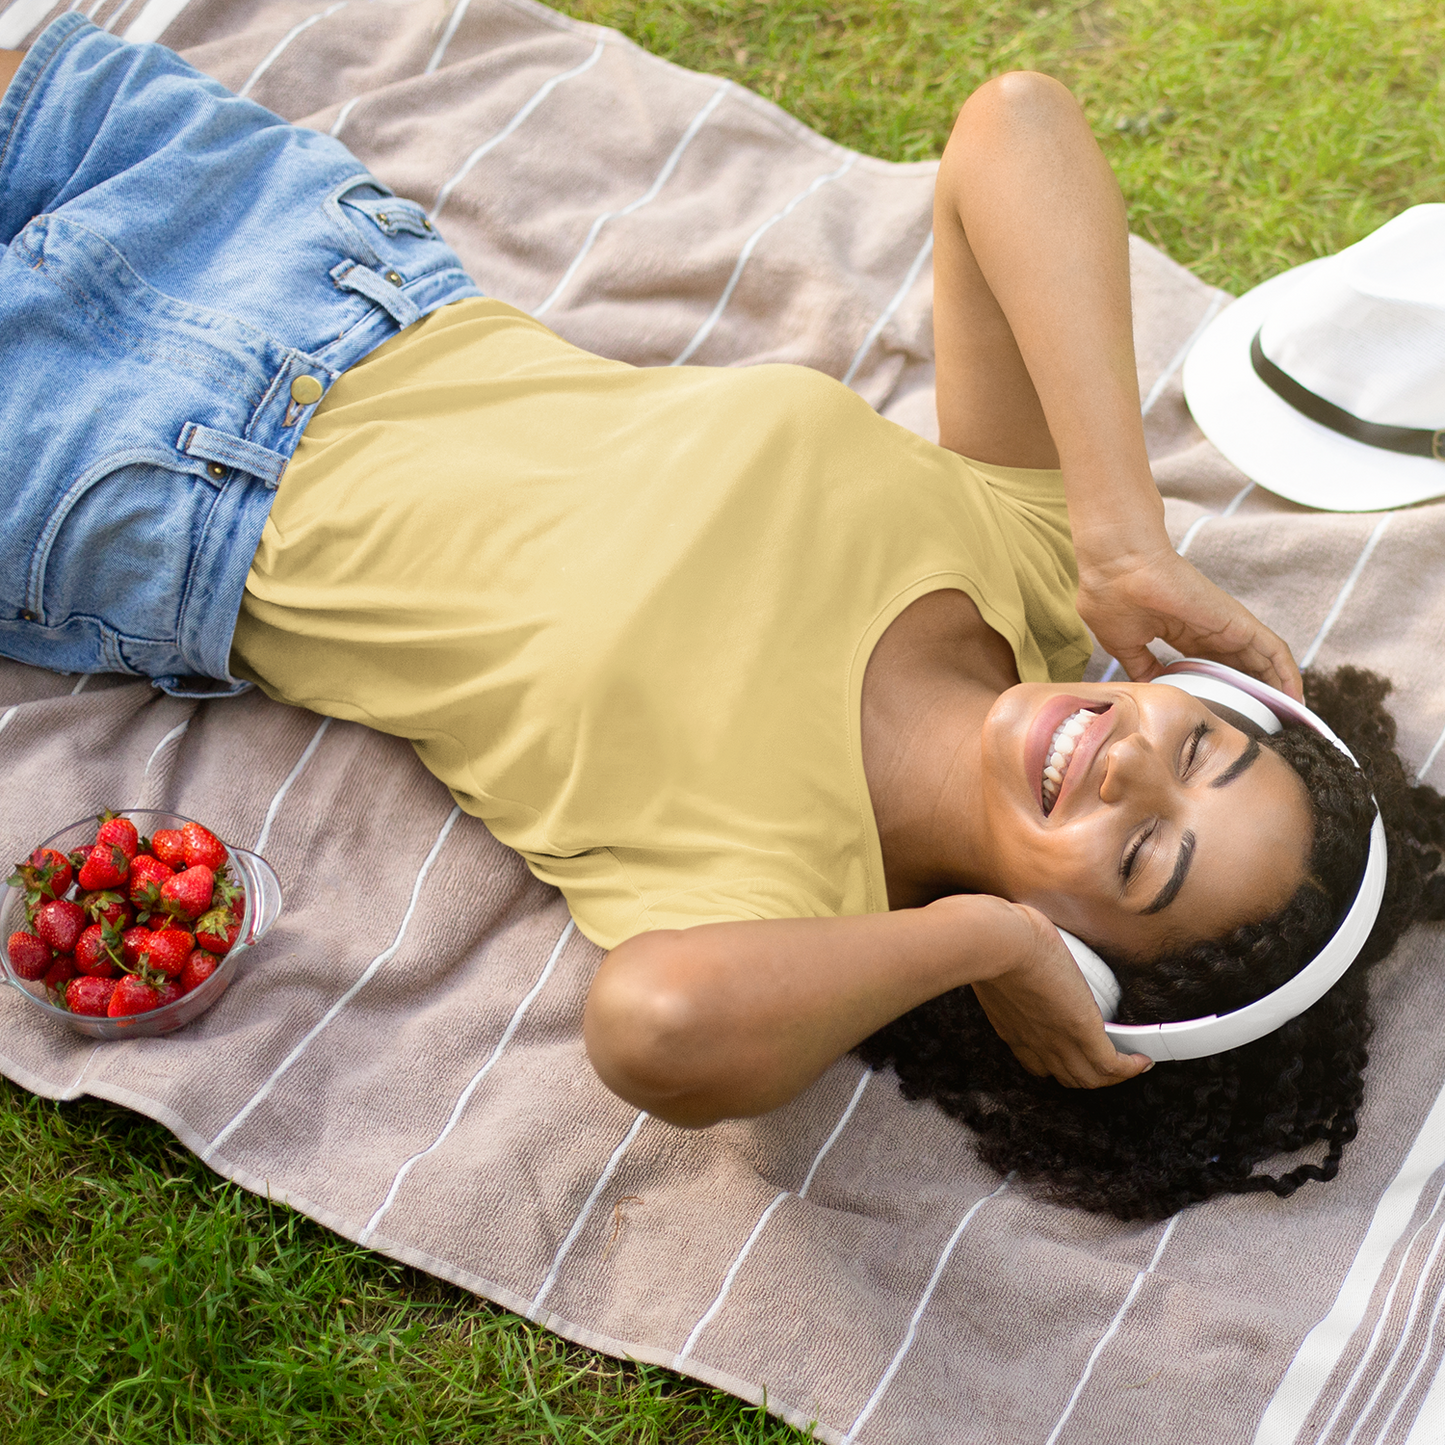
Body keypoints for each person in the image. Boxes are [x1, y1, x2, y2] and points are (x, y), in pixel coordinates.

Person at [4, 18, 1440, 1220]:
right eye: (1203, 749)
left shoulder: (788, 899)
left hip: (114, 479)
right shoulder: (1038, 564)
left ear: (1077, 959)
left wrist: (985, 951)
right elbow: (1015, 128)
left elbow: (659, 1031)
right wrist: (1127, 529)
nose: (1132, 766)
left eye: (1139, 857)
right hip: (296, 254)